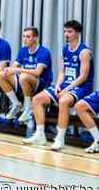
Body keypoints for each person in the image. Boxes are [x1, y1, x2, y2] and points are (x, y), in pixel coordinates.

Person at [25, 20, 93, 150]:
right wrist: (57, 85)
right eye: (65, 31)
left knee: (63, 101)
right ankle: (40, 134)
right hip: (66, 84)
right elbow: (62, 71)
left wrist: (66, 89)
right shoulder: (64, 50)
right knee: (37, 99)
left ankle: (60, 139)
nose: (66, 34)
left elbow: (83, 77)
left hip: (81, 87)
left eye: (70, 31)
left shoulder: (84, 52)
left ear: (77, 33)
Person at [0, 27, 53, 122]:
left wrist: (18, 70)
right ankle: (16, 104)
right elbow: (13, 67)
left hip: (42, 84)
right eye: (23, 36)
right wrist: (8, 70)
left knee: (23, 76)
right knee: (1, 74)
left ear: (35, 38)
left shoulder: (44, 52)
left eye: (28, 37)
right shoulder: (23, 50)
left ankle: (28, 107)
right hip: (25, 81)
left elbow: (37, 72)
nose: (25, 39)